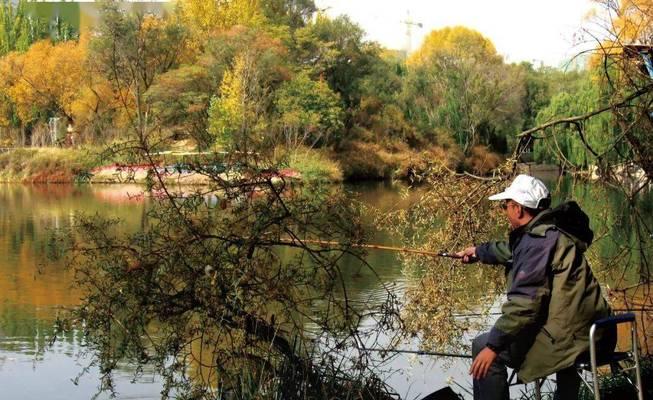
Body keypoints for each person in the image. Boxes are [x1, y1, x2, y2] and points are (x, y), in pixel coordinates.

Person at [456, 174, 615, 400]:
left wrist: (493, 347)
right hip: (598, 331)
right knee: (541, 331)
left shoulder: (537, 243)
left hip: (574, 340)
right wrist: (479, 252)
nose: (504, 211)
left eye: (505, 206)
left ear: (518, 209)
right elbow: (513, 251)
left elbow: (524, 305)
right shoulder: (554, 232)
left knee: (482, 346)